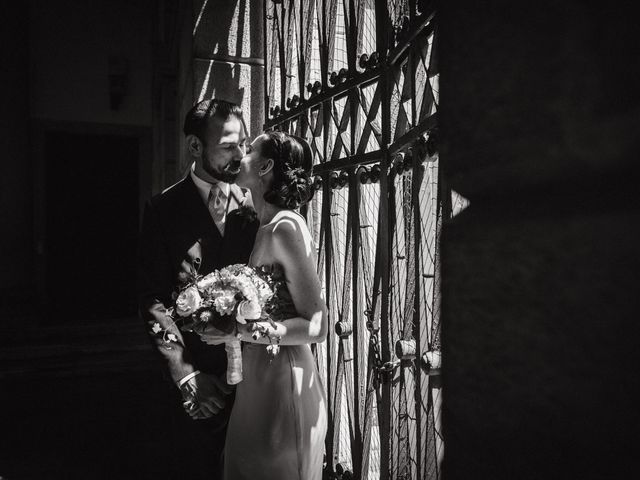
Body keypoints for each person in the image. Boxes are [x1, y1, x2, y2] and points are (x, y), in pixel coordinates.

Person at [137, 99, 258, 479]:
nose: (240, 155)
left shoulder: (257, 205)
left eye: (243, 143)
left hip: (256, 379)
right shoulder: (162, 210)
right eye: (227, 145)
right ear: (194, 146)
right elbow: (152, 297)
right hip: (196, 387)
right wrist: (187, 376)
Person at [199, 131, 328, 480]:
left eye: (250, 148)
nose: (241, 151)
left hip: (283, 380)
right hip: (256, 379)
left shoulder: (286, 227)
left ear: (266, 166)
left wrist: (238, 329)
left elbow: (317, 325)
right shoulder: (264, 226)